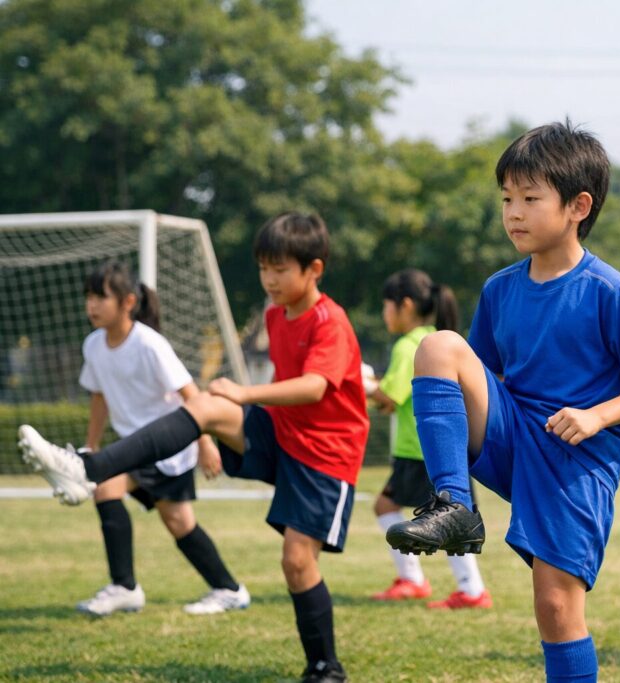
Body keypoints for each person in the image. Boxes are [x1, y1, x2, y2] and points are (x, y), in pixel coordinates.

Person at [20, 212, 368, 683]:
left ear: (314, 270)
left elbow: (313, 388)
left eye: (280, 269)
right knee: (204, 407)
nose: (269, 279)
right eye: (264, 267)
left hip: (326, 456)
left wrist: (245, 394)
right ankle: (88, 468)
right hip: (281, 435)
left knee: (295, 560)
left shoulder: (330, 319)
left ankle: (325, 667)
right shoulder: (273, 313)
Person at [385, 121, 620, 682]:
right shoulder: (499, 289)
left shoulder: (610, 290)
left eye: (530, 198)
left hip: (576, 460)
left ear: (577, 206)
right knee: (440, 345)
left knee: (556, 608)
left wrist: (597, 416)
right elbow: (479, 374)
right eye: (506, 199)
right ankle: (454, 507)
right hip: (515, 435)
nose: (513, 212)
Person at [68, 261, 248, 616]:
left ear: (128, 302)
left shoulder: (149, 344)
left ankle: (229, 589)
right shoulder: (93, 345)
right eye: (88, 296)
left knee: (180, 524)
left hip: (168, 451)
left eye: (100, 296)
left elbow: (190, 393)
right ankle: (124, 587)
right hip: (133, 448)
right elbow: (99, 396)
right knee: (105, 489)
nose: (92, 305)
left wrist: (206, 443)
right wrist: (92, 447)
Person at [367, 268, 492, 609]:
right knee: (392, 506)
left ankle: (463, 588)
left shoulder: (411, 345)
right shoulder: (429, 338)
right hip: (421, 450)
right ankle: (441, 584)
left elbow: (390, 395)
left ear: (404, 305)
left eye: (386, 306)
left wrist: (361, 383)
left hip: (423, 452)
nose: (384, 314)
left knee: (448, 514)